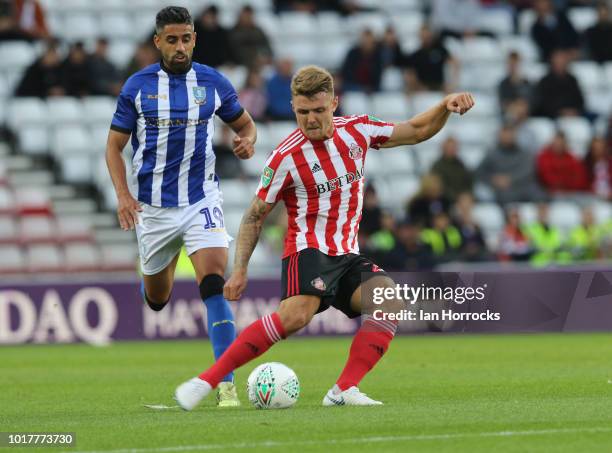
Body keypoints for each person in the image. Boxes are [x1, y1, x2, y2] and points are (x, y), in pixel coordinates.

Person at [174, 65, 475, 410]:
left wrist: (444, 105)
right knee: (295, 316)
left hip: (347, 253)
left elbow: (418, 131)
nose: (311, 119)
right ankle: (206, 380)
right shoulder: (285, 157)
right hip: (308, 249)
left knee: (389, 302)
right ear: (293, 108)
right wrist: (240, 269)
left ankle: (343, 390)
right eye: (303, 112)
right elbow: (255, 215)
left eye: (318, 110)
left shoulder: (358, 131)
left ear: (334, 103)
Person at [105, 6, 257, 407]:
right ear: (158, 42)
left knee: (213, 284)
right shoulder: (137, 87)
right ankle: (162, 262)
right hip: (153, 209)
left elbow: (244, 124)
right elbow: (114, 146)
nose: (179, 46)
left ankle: (225, 385)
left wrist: (247, 141)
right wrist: (123, 195)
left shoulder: (212, 82)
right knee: (157, 299)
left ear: (194, 38)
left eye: (185, 38)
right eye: (171, 39)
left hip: (201, 199)